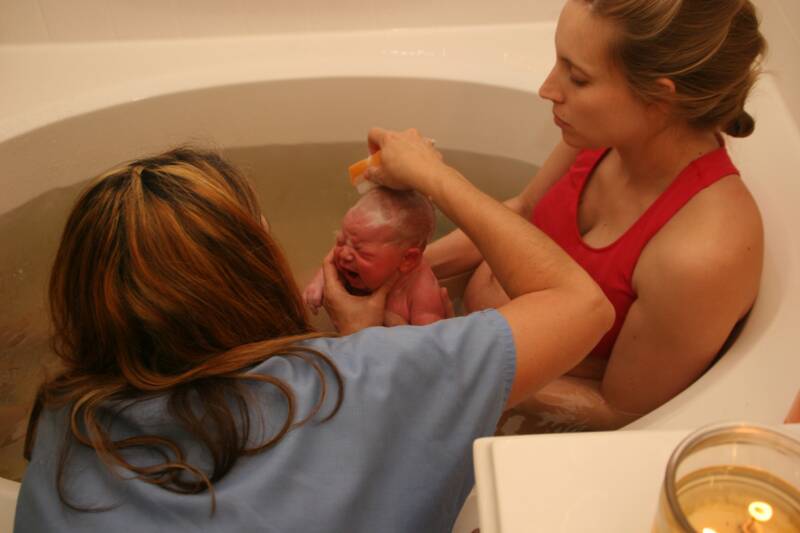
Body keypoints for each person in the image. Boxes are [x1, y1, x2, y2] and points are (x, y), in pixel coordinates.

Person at [15, 141, 613, 532]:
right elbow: (581, 306)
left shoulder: (59, 428)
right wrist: (435, 177)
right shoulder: (361, 381)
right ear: (254, 268)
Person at [419, 0, 766, 433]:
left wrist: (446, 358)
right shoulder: (602, 134)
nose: (548, 88)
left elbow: (618, 410)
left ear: (659, 98)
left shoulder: (702, 251)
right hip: (460, 342)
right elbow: (523, 212)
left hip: (506, 402)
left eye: (577, 77)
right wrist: (409, 270)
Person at [303, 186, 446, 326]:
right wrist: (318, 283)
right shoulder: (351, 253)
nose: (344, 254)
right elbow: (330, 264)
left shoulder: (423, 291)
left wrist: (395, 325)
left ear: (407, 260)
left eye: (361, 251)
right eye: (341, 240)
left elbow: (430, 341)